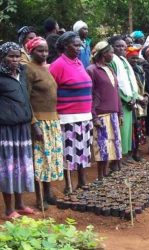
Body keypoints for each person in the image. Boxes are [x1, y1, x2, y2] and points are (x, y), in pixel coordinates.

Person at [49, 32, 93, 193]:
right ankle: (68, 185)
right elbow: (50, 92)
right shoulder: (58, 65)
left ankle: (82, 181)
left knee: (82, 151)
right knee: (69, 152)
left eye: (80, 45)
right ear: (65, 46)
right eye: (75, 45)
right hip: (67, 117)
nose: (79, 48)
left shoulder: (79, 63)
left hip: (84, 116)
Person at [26, 37, 64, 210]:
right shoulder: (28, 69)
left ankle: (48, 193)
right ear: (31, 51)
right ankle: (39, 197)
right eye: (40, 50)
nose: (44, 54)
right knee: (39, 160)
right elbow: (25, 100)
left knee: (50, 159)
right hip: (39, 121)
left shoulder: (47, 68)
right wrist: (34, 123)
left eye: (46, 50)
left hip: (52, 120)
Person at [0, 42, 35, 219]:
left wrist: (33, 122)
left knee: (21, 166)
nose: (15, 60)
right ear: (3, 57)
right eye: (10, 56)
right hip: (6, 130)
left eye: (17, 56)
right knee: (8, 167)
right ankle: (8, 209)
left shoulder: (22, 73)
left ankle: (20, 204)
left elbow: (26, 98)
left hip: (23, 128)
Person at [87, 41, 123, 181]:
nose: (113, 55)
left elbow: (116, 91)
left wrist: (119, 112)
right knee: (102, 146)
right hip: (101, 113)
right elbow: (89, 95)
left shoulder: (110, 69)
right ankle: (100, 175)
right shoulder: (92, 70)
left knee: (112, 145)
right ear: (103, 54)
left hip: (113, 113)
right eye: (111, 52)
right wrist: (94, 116)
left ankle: (106, 172)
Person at [108, 36, 142, 163]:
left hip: (130, 100)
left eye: (123, 46)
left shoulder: (124, 60)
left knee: (128, 130)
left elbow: (130, 81)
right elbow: (115, 83)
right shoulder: (112, 61)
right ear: (112, 47)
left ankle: (127, 154)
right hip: (121, 101)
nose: (122, 48)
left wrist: (134, 96)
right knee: (121, 129)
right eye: (118, 46)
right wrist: (126, 98)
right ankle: (119, 158)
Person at [126, 46, 149, 160]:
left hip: (141, 103)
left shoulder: (140, 70)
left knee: (139, 128)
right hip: (132, 102)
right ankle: (130, 153)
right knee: (133, 129)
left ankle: (136, 151)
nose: (134, 60)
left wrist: (145, 96)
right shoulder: (126, 71)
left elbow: (144, 87)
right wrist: (139, 98)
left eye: (136, 58)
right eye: (132, 58)